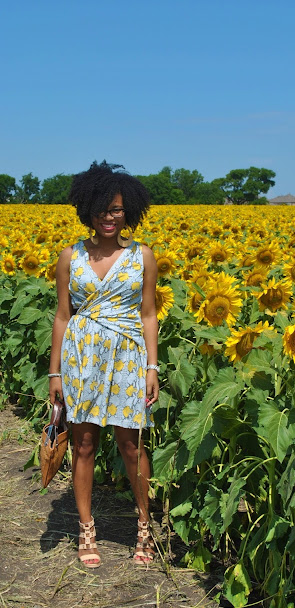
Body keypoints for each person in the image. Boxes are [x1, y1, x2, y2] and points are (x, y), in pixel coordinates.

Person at [49, 161, 159, 568]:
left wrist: (152, 368)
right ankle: (86, 528)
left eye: (116, 210)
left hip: (128, 356)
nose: (109, 218)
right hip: (82, 357)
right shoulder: (70, 256)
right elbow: (63, 316)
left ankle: (144, 525)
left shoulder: (142, 255)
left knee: (131, 445)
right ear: (86, 210)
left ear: (128, 210)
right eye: (100, 210)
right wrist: (55, 372)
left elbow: (149, 314)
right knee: (84, 444)